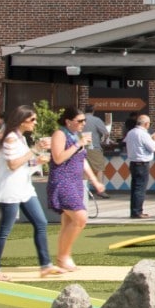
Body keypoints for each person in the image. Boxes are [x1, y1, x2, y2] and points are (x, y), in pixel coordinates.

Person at [0, 106, 61, 280]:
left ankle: (45, 265)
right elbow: (13, 164)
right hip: (11, 190)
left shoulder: (19, 138)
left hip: (24, 188)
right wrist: (35, 150)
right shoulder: (11, 138)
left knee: (41, 222)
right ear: (22, 121)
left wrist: (36, 160)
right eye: (32, 120)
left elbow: (22, 162)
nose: (35, 123)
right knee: (5, 230)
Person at [48, 107, 107, 270]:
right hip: (62, 180)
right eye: (79, 121)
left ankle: (64, 257)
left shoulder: (76, 136)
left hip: (75, 182)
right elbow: (58, 158)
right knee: (80, 218)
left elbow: (82, 161)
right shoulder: (60, 134)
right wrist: (78, 144)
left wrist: (95, 181)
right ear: (68, 121)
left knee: (69, 221)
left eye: (84, 121)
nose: (83, 124)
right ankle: (63, 256)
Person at [123, 114, 155, 219]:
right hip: (142, 163)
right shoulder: (143, 134)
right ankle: (137, 212)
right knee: (140, 189)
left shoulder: (131, 132)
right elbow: (152, 148)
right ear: (146, 124)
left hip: (133, 162)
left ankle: (134, 210)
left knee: (135, 188)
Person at [82, 111, 111, 198]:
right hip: (94, 147)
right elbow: (106, 133)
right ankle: (100, 190)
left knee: (84, 170)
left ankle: (85, 191)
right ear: (93, 111)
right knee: (99, 169)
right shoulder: (96, 120)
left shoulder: (80, 120)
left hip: (81, 147)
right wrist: (103, 139)